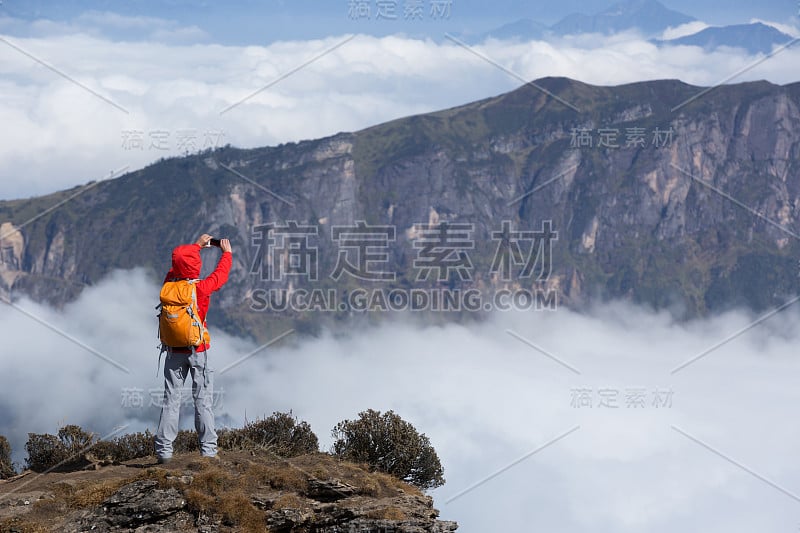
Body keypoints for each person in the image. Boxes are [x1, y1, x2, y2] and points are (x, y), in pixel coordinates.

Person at [155, 234, 232, 463]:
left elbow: (175, 268)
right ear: (196, 267)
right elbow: (220, 276)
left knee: (171, 400)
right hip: (197, 351)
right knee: (203, 400)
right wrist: (226, 254)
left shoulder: (167, 287)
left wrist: (195, 246)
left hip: (172, 352)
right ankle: (208, 451)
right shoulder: (201, 289)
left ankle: (164, 452)